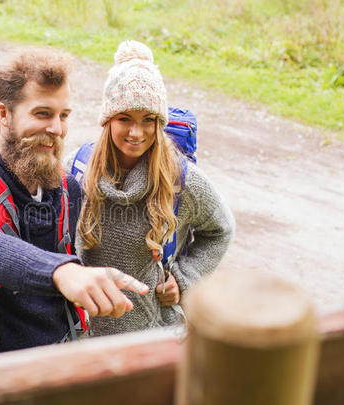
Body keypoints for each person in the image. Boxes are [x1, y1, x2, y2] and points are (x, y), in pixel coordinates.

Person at [0, 48, 149, 354]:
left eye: (63, 116)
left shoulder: (66, 186)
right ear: (3, 114)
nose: (56, 129)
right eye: (42, 113)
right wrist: (63, 272)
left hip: (59, 360)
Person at [75, 40, 235, 336]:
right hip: (82, 335)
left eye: (148, 120)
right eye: (125, 118)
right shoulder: (78, 168)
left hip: (151, 335)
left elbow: (221, 229)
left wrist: (185, 278)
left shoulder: (182, 180)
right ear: (107, 119)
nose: (136, 132)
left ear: (159, 123)